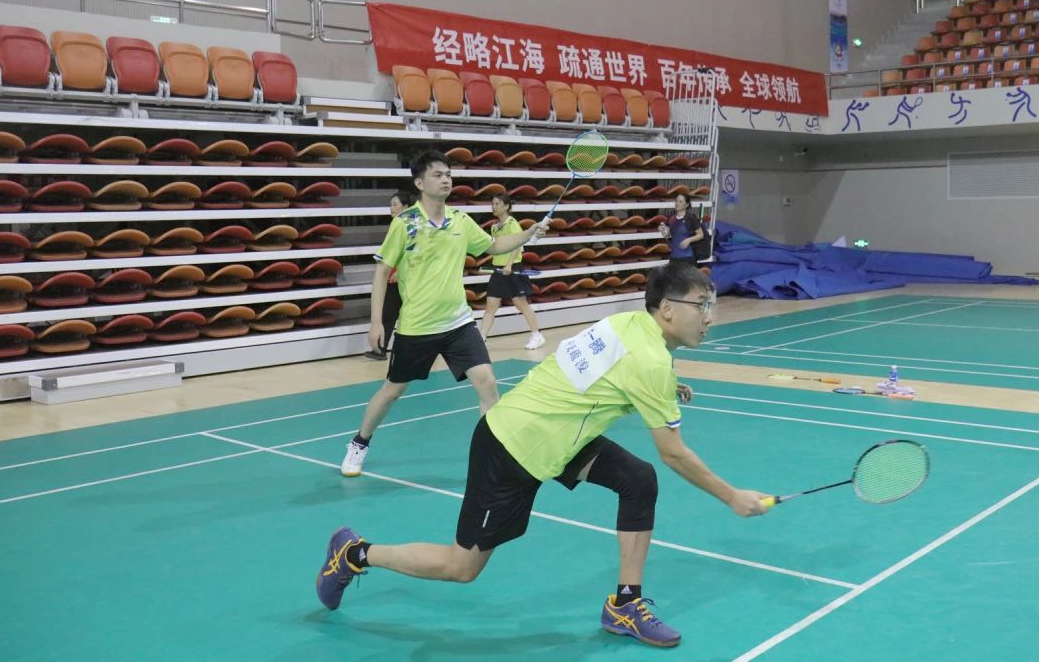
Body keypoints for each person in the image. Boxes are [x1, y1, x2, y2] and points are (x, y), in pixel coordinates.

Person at [317, 262, 770, 649]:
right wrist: (732, 496)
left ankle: (625, 605)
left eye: (711, 305)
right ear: (667, 308)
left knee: (638, 479)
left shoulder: (629, 324)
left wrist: (667, 384)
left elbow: (609, 369)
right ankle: (355, 553)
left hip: (557, 437)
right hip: (511, 446)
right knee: (461, 567)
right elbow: (674, 453)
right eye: (701, 305)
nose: (709, 317)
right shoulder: (648, 360)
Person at [340, 151, 548, 476]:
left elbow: (493, 246)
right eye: (437, 175)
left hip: (458, 323)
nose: (446, 179)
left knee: (487, 381)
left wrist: (529, 233)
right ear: (420, 183)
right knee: (392, 391)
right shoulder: (404, 224)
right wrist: (376, 322)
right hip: (417, 327)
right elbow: (381, 272)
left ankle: (493, 455)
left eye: (448, 174)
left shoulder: (460, 221)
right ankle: (359, 442)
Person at [478, 193, 545, 350]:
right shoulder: (494, 227)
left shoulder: (512, 223)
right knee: (491, 305)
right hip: (498, 270)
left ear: (507, 206)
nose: (493, 207)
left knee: (521, 304)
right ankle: (481, 339)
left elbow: (517, 244)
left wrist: (508, 265)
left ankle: (537, 335)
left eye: (497, 203)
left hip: (512, 268)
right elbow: (497, 247)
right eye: (492, 204)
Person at [364, 190, 414, 361]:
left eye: (395, 204)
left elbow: (414, 254)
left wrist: (400, 272)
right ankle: (380, 349)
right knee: (388, 316)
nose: (391, 208)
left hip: (405, 281)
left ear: (406, 206)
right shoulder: (396, 225)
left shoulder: (411, 226)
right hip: (392, 280)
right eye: (390, 205)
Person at [658, 193, 703, 266]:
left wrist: (688, 240)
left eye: (680, 202)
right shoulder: (671, 218)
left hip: (687, 258)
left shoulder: (691, 218)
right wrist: (663, 230)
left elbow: (701, 235)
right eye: (676, 201)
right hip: (673, 257)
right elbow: (668, 237)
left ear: (686, 205)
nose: (677, 203)